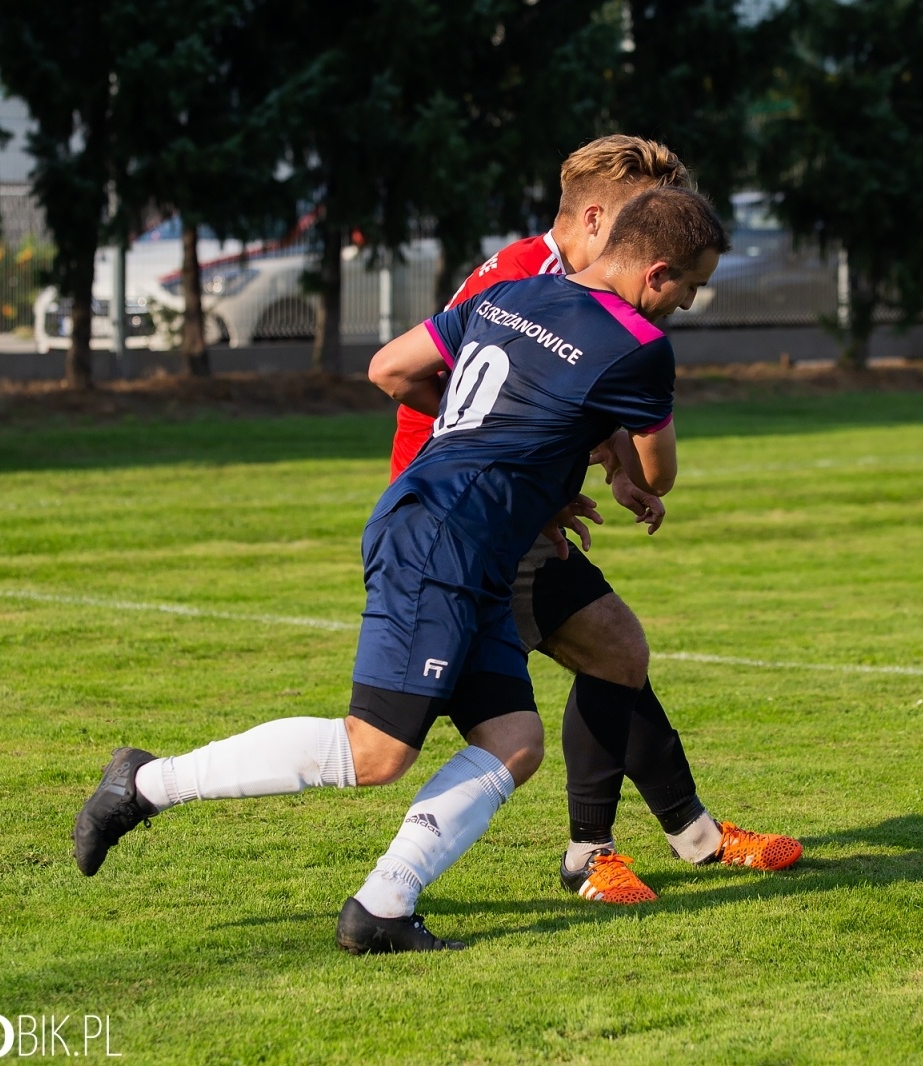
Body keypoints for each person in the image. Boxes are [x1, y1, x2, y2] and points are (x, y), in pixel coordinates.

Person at [72, 187, 727, 953]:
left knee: (514, 741)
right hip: (444, 539)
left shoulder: (508, 293)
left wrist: (524, 472)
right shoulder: (640, 344)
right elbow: (655, 477)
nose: (688, 301)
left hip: (461, 531)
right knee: (375, 750)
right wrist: (633, 417)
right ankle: (145, 784)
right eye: (689, 285)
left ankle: (382, 907)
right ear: (655, 273)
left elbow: (401, 369)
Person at [376, 135, 800, 908]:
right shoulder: (530, 277)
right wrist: (527, 473)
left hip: (491, 508)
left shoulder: (558, 279)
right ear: (601, 216)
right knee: (388, 744)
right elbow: (425, 381)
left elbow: (552, 399)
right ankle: (591, 854)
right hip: (466, 522)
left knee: (615, 648)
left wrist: (589, 461)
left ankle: (690, 835)